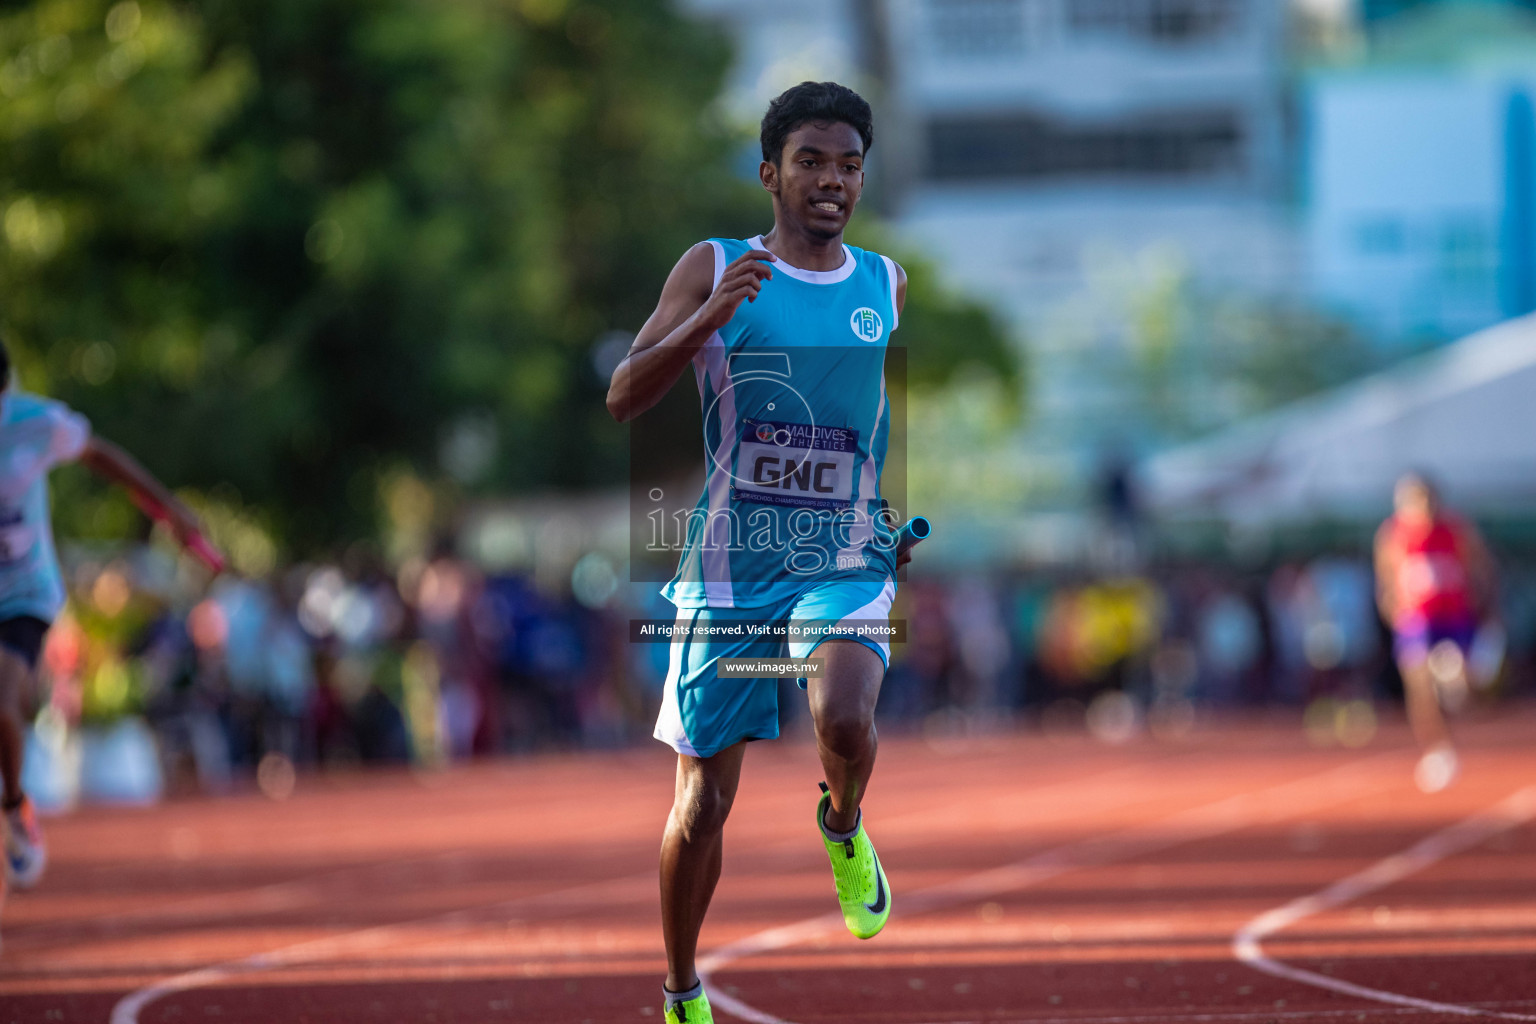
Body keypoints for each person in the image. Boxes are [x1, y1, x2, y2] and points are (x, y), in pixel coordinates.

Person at [607, 82, 910, 1024]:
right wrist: (710, 316)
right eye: (812, 162)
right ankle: (681, 988)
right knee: (703, 803)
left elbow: (859, 419)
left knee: (849, 720)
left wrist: (874, 517)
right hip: (731, 574)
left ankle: (843, 823)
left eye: (850, 164)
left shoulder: (887, 284)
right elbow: (623, 395)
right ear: (771, 171)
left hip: (842, 559)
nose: (832, 181)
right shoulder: (714, 264)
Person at [0, 338, 211, 903]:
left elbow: (103, 458)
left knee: (4, 699)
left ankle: (15, 806)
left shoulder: (33, 421)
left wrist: (170, 512)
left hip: (24, 592)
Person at [1373, 472, 1497, 793]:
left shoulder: (1457, 531)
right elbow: (1385, 579)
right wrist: (1391, 607)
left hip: (1455, 617)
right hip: (1416, 621)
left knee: (1468, 693)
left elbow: (1481, 567)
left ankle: (1455, 679)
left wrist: (1483, 603)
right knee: (1418, 686)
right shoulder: (1392, 535)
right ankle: (1439, 749)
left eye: (1426, 499)